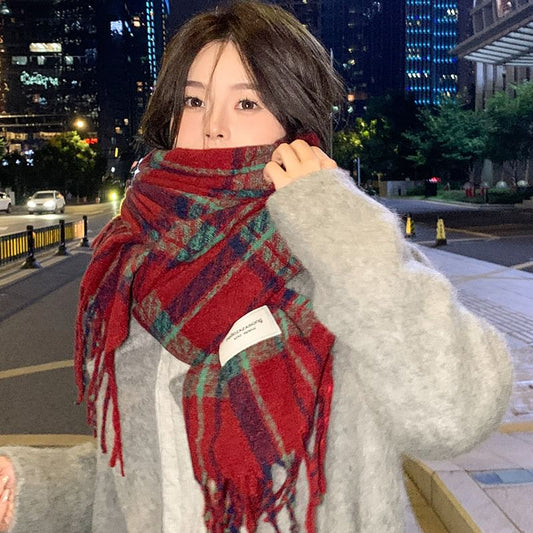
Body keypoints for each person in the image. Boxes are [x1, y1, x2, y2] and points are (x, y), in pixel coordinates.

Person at [0, 2, 512, 532]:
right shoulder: (133, 269)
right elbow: (144, 478)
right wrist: (30, 488)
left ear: (293, 123)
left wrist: (333, 220)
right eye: (194, 100)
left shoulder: (343, 256)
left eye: (247, 103)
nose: (213, 127)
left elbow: (456, 413)